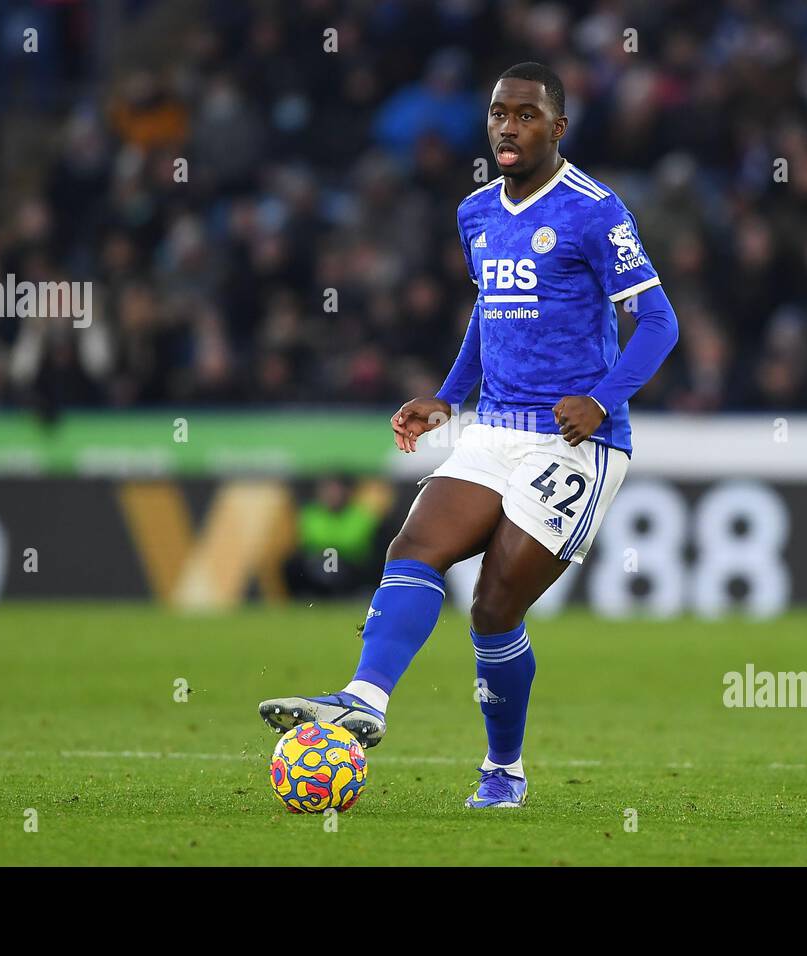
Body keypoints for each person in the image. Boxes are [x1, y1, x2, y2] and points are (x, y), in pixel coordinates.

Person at [259, 62, 678, 808]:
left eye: (526, 114)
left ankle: (504, 771)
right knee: (413, 548)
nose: (508, 127)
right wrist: (450, 400)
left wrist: (601, 398)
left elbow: (658, 321)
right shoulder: (477, 212)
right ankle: (365, 699)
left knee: (492, 607)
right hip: (496, 427)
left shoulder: (595, 210)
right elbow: (493, 312)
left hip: (576, 440)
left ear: (558, 127)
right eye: (498, 114)